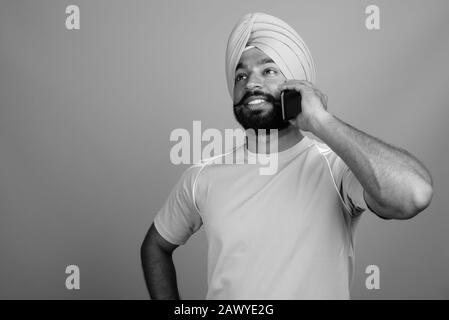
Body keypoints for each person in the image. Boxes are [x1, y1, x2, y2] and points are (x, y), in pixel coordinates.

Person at [140, 12, 433, 300]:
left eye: (268, 71)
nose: (251, 84)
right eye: (241, 75)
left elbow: (414, 195)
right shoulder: (202, 177)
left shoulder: (337, 168)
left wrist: (321, 121)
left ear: (297, 87)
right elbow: (155, 246)